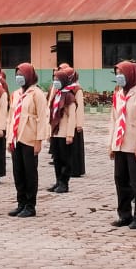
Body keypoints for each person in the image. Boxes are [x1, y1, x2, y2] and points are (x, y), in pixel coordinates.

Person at [108, 60, 136, 230]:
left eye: (122, 73)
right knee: (120, 179)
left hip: (134, 143)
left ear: (130, 75)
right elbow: (114, 119)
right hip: (120, 143)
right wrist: (111, 144)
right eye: (117, 73)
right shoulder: (119, 94)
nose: (119, 77)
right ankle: (124, 214)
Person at [7, 63, 48, 217]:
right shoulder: (16, 93)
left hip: (29, 138)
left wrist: (39, 141)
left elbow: (43, 118)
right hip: (16, 137)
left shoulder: (37, 94)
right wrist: (9, 138)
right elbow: (11, 117)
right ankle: (21, 203)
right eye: (17, 74)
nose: (19, 78)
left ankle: (30, 205)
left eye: (22, 75)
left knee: (30, 172)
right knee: (18, 172)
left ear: (29, 76)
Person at [47, 67, 79, 195]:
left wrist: (70, 134)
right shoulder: (56, 95)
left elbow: (72, 117)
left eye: (58, 79)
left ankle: (64, 183)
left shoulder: (69, 96)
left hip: (65, 132)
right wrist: (50, 132)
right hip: (55, 132)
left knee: (65, 159)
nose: (55, 81)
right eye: (54, 79)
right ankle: (58, 180)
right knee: (57, 158)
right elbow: (51, 114)